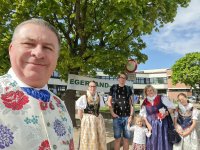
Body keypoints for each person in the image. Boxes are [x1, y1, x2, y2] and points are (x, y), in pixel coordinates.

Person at [0, 18, 74, 150]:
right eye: (29, 44)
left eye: (47, 47)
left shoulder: (60, 105)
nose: (38, 53)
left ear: (57, 57)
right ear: (11, 49)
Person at [139, 85, 175, 150]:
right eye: (148, 90)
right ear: (146, 92)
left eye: (151, 90)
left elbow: (172, 107)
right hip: (151, 124)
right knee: (152, 141)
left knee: (163, 140)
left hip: (162, 124)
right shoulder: (145, 102)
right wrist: (148, 124)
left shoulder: (161, 98)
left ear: (154, 90)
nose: (150, 92)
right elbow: (143, 115)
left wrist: (166, 113)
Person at [76, 81, 107, 150]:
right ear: (88, 87)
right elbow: (80, 111)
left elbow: (100, 107)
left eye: (94, 86)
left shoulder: (99, 97)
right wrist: (83, 121)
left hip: (98, 120)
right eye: (91, 86)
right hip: (88, 121)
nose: (92, 88)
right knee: (89, 139)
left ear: (96, 87)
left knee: (99, 138)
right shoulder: (84, 97)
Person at [108, 72, 134, 150]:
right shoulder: (113, 87)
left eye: (124, 78)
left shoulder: (128, 88)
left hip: (127, 117)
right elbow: (109, 101)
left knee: (126, 139)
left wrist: (131, 116)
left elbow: (131, 104)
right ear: (118, 78)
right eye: (121, 77)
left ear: (126, 79)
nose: (122, 79)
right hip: (117, 117)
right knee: (117, 139)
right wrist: (112, 113)